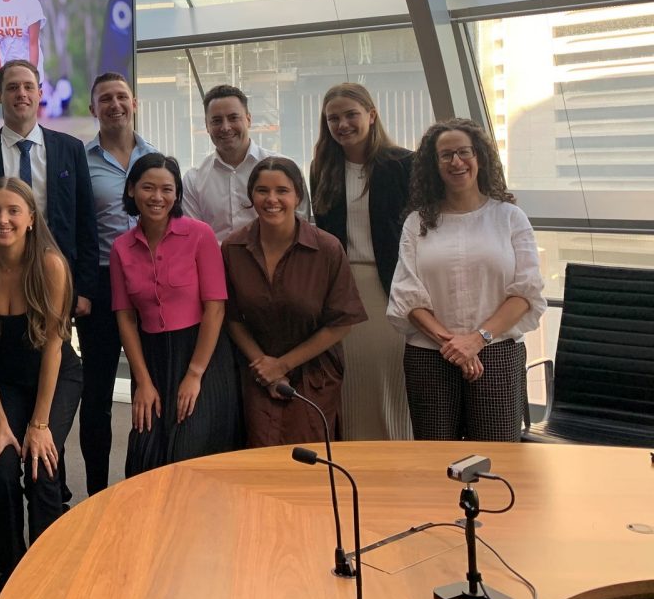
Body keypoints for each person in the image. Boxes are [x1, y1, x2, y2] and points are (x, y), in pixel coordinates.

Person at [0, 58, 96, 520]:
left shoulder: (68, 149)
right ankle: (8, 546)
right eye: (12, 86)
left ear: (40, 93)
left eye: (29, 86)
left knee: (45, 456)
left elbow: (82, 222)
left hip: (56, 288)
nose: (21, 93)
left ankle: (50, 521)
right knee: (4, 464)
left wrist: (82, 289)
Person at [0, 177, 82, 591]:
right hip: (5, 380)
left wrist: (40, 425)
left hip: (55, 375)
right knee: (2, 467)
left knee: (42, 467)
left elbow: (54, 348)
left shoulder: (49, 265)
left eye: (13, 211)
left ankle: (47, 569)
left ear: (30, 219)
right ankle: (12, 565)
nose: (2, 219)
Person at [387, 119, 546, 442]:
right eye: (445, 155)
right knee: (435, 461)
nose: (456, 162)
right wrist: (455, 346)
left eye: (464, 152)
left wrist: (477, 340)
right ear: (434, 165)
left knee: (497, 458)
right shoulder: (417, 222)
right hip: (429, 354)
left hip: (497, 353)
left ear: (480, 158)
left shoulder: (509, 217)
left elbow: (526, 292)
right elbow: (408, 296)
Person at [223, 157, 366, 448]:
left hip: (313, 374)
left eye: (282, 191)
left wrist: (284, 365)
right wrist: (266, 367)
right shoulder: (232, 248)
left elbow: (342, 323)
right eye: (262, 190)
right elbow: (232, 318)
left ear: (298, 195)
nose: (271, 199)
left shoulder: (327, 248)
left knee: (307, 460)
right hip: (257, 371)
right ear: (251, 195)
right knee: (257, 457)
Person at [110, 154, 240, 475]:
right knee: (144, 460)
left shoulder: (200, 235)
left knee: (186, 456)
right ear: (131, 190)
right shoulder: (121, 248)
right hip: (152, 360)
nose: (157, 197)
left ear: (178, 194)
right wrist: (142, 381)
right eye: (148, 188)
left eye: (167, 189)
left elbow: (215, 308)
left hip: (201, 355)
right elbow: (125, 317)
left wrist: (195, 374)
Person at [309, 82, 414, 441]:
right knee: (351, 379)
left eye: (350, 115)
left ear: (371, 115)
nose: (342, 124)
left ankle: (399, 457)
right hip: (343, 287)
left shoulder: (403, 164)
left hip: (391, 286)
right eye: (333, 118)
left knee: (389, 377)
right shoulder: (323, 168)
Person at [81, 72, 158, 493]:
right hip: (102, 281)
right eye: (105, 99)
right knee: (97, 393)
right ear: (94, 109)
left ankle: (143, 481)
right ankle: (97, 489)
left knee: (151, 382)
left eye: (121, 96)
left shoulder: (156, 156)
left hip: (150, 279)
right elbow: (74, 225)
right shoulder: (80, 159)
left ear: (134, 103)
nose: (115, 104)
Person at [183, 85, 295, 242]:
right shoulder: (193, 180)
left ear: (248, 119)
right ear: (207, 126)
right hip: (216, 264)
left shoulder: (284, 169)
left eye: (233, 118)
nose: (225, 127)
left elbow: (298, 227)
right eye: (216, 121)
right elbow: (194, 238)